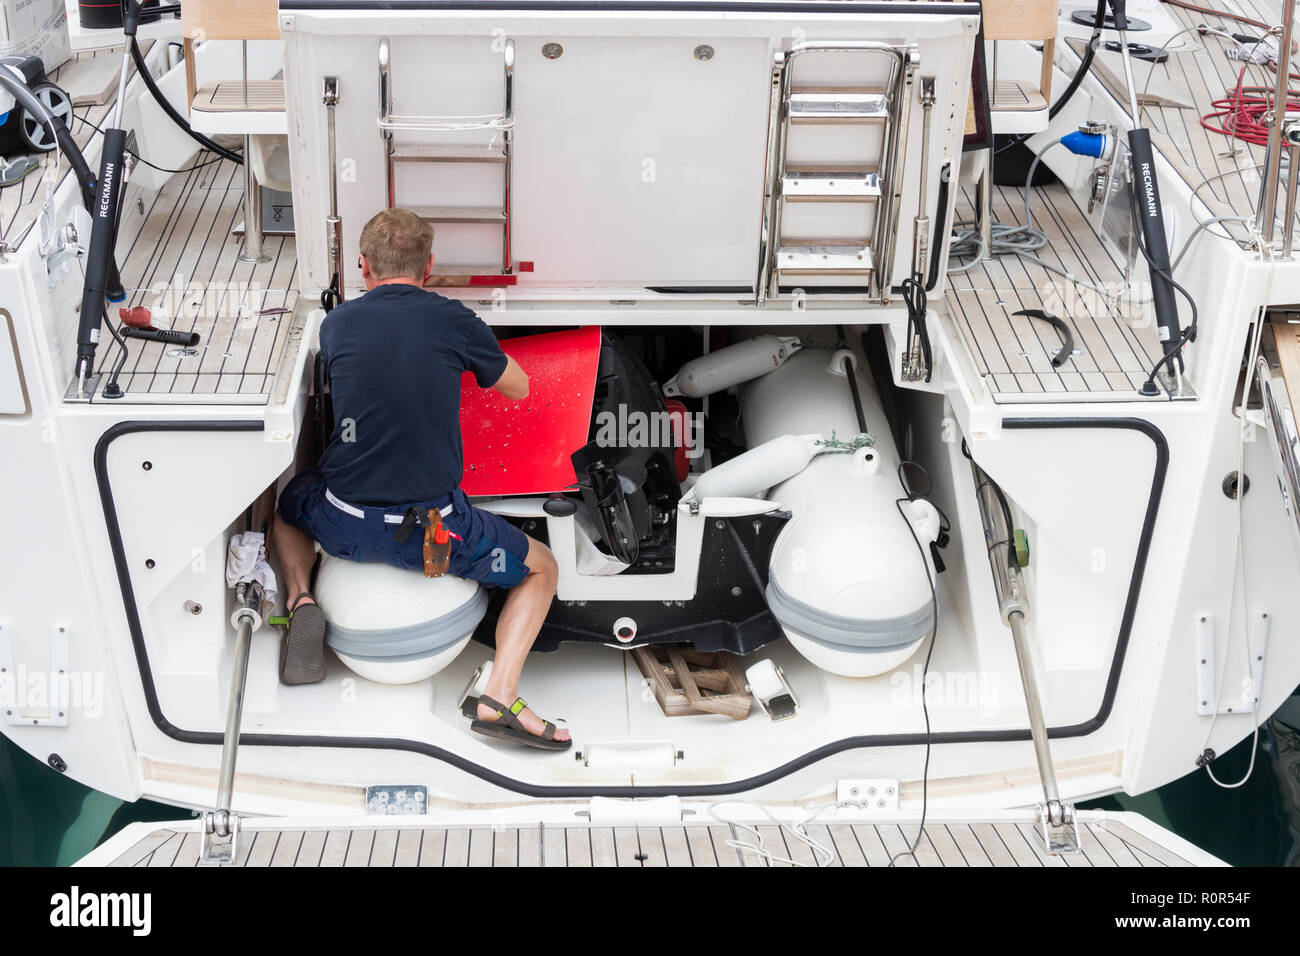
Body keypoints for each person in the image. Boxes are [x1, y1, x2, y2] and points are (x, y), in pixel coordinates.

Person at [271, 208, 569, 751]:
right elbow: (519, 388)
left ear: (363, 267)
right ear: (429, 266)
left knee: (289, 502)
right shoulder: (453, 320)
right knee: (541, 568)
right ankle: (499, 694)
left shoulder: (336, 325)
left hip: (343, 521)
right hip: (438, 534)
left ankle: (300, 599)